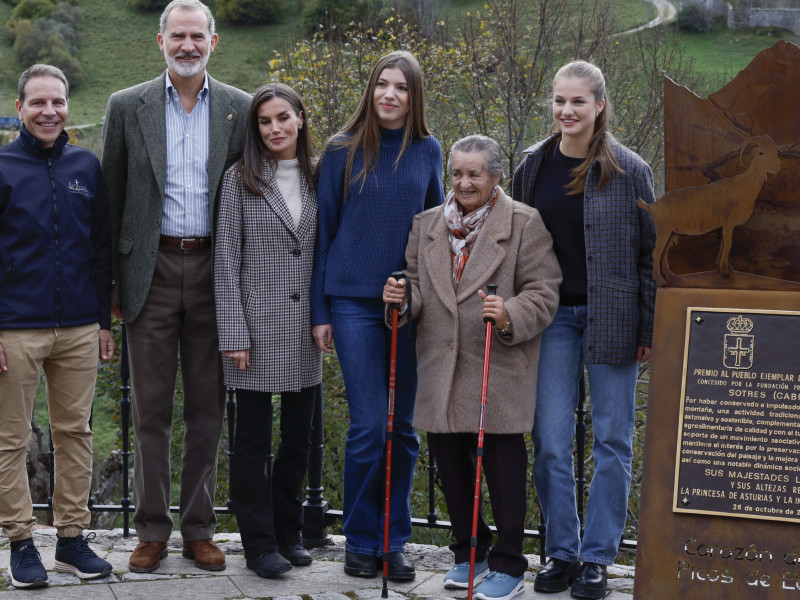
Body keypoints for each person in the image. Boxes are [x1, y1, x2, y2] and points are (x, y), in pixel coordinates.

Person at [100, 0, 251, 574]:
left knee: (208, 410)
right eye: (177, 36)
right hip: (151, 271)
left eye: (197, 36)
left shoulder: (239, 108)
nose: (187, 45)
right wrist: (112, 284)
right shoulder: (125, 107)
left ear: (214, 42)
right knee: (151, 410)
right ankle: (151, 530)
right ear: (159, 41)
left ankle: (198, 529)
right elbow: (112, 199)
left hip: (216, 270)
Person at [384, 134, 561, 600]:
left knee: (502, 466)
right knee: (450, 463)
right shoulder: (426, 225)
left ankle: (508, 561)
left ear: (496, 177)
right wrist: (402, 299)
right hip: (441, 364)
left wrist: (508, 313)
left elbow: (545, 292)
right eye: (457, 173)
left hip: (496, 366)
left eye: (474, 174)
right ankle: (469, 552)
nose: (463, 183)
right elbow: (419, 286)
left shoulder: (524, 223)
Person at [512, 60, 656, 599]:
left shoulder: (630, 169)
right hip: (552, 321)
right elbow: (516, 246)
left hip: (615, 320)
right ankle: (562, 552)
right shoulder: (533, 165)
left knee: (612, 441)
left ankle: (597, 558)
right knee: (549, 440)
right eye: (558, 101)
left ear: (599, 105)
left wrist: (648, 325)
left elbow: (650, 255)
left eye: (577, 101)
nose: (566, 111)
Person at [310, 50, 445, 580]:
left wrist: (414, 287)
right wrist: (320, 310)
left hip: (408, 306)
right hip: (350, 303)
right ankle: (360, 539)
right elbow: (324, 234)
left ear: (414, 98)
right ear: (371, 90)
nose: (389, 95)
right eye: (382, 85)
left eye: (401, 88)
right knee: (369, 424)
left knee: (403, 427)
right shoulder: (341, 151)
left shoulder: (428, 151)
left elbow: (434, 233)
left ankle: (394, 541)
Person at [0, 64, 114, 589]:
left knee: (76, 432)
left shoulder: (86, 166)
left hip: (78, 327)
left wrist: (103, 319)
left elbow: (100, 249)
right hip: (14, 328)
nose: (49, 111)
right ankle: (22, 544)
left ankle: (71, 540)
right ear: (20, 107)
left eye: (58, 102)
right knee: (11, 439)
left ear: (68, 107)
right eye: (39, 102)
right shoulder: (2, 166)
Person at [213, 83, 321, 579]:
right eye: (264, 121)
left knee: (298, 440)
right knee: (252, 442)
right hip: (253, 331)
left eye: (283, 117)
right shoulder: (240, 179)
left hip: (305, 330)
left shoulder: (323, 177)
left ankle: (288, 533)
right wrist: (233, 332)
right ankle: (258, 545)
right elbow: (226, 259)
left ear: (300, 118)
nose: (275, 128)